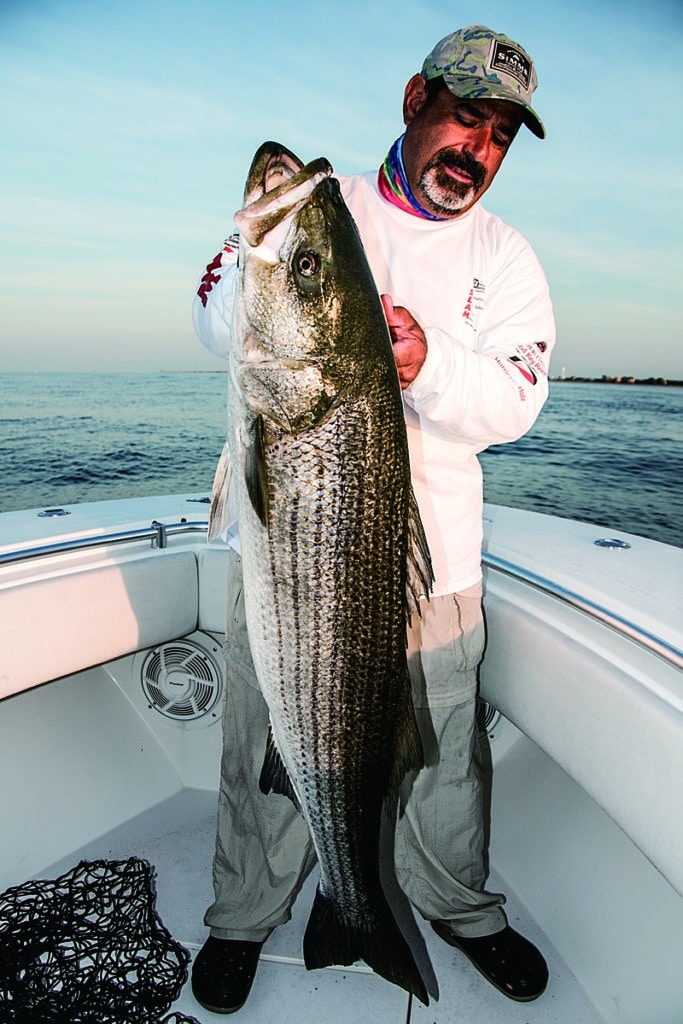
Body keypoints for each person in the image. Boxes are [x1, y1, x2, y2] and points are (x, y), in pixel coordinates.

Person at [191, 24, 555, 1014]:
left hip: (434, 571)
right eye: (462, 119)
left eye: (497, 138)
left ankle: (456, 905)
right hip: (295, 562)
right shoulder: (323, 207)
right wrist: (263, 242)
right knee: (262, 747)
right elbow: (220, 318)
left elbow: (516, 398)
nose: (473, 151)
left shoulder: (504, 256)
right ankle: (243, 913)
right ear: (413, 100)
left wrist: (425, 361)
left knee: (439, 757)